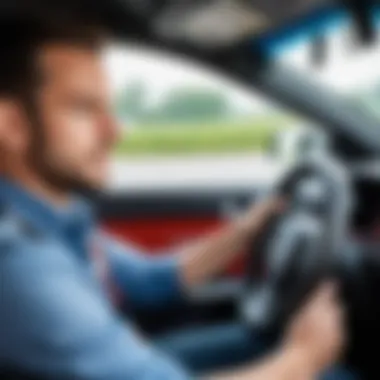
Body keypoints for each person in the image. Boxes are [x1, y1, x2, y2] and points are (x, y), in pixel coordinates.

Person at [0, 9, 353, 380]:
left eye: (108, 109)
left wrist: (247, 230)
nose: (114, 132)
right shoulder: (22, 265)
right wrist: (304, 359)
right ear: (12, 125)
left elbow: (152, 280)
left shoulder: (54, 217)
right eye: (84, 109)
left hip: (127, 358)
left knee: (266, 343)